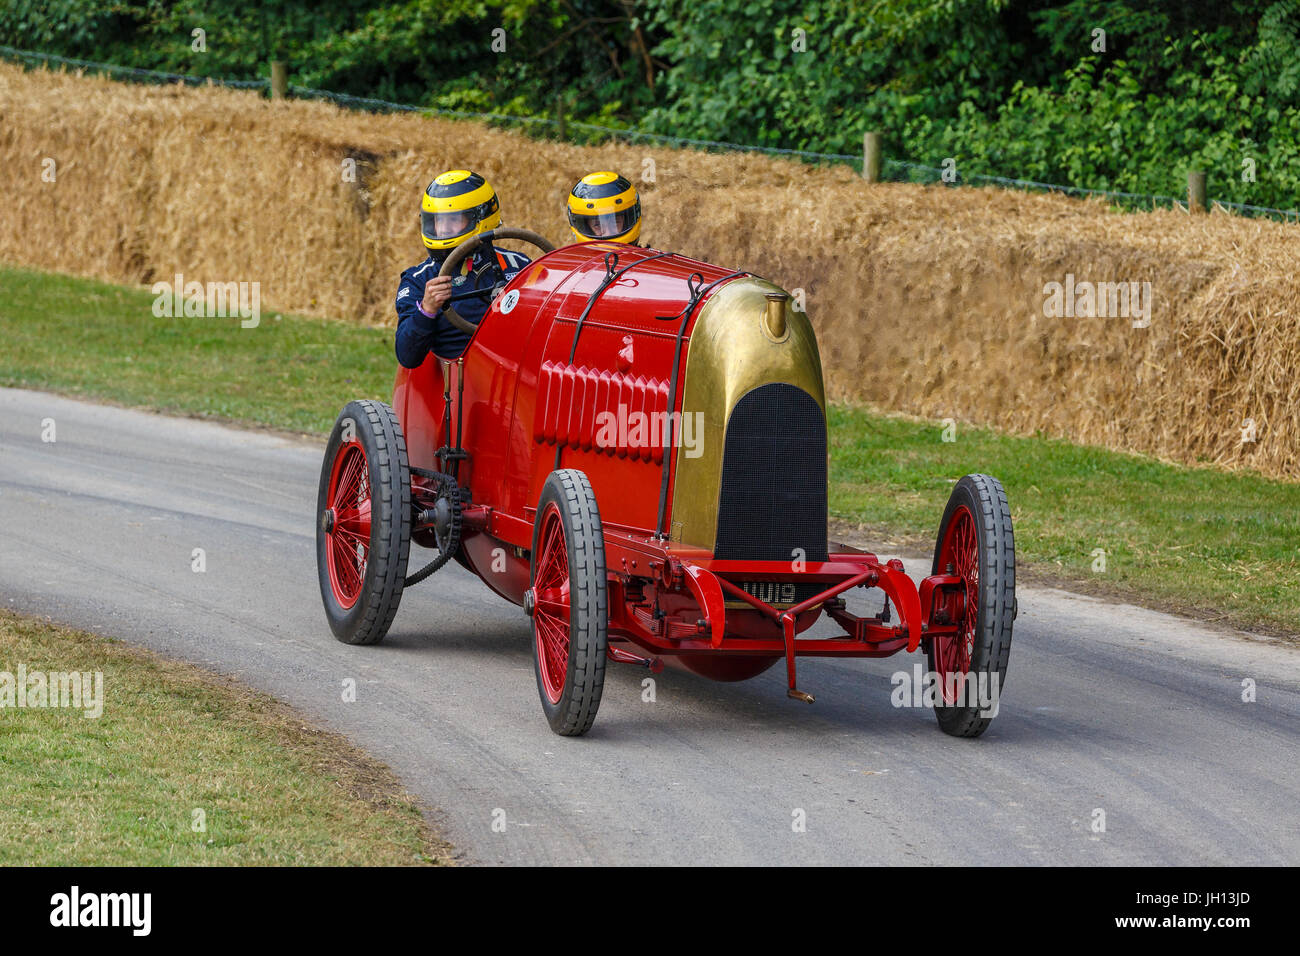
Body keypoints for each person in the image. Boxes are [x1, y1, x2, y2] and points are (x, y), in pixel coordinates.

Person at [394, 170, 530, 367]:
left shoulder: (518, 265)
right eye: (439, 221)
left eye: (454, 220)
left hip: (516, 373)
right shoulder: (418, 279)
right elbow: (407, 357)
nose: (445, 229)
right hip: (457, 386)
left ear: (481, 219)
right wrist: (427, 308)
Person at [567, 172, 642, 244]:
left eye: (615, 222)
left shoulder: (651, 257)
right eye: (597, 225)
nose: (608, 233)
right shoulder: (560, 257)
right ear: (586, 227)